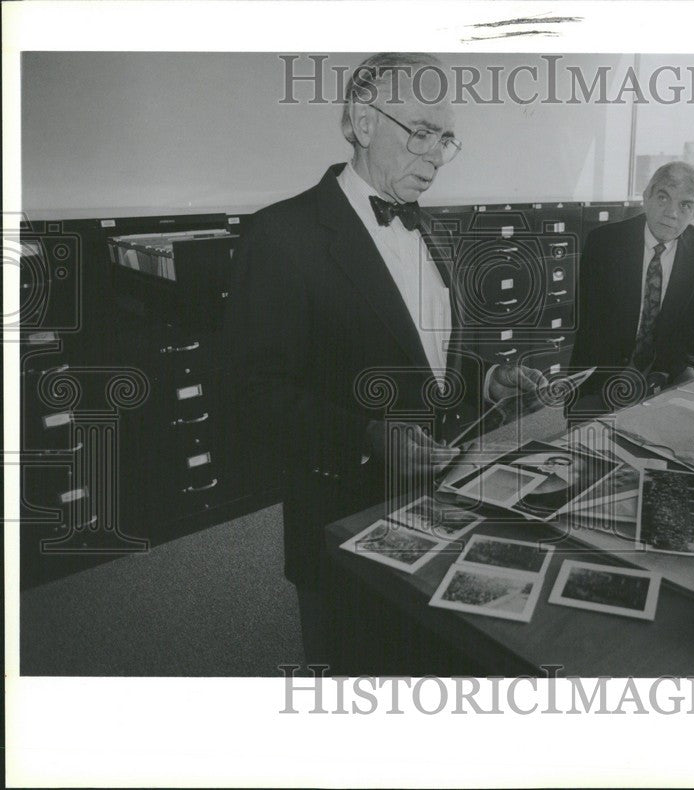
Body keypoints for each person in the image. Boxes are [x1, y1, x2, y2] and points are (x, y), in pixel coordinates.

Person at [223, 52, 546, 669]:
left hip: (442, 505)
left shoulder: (434, 232)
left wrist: (488, 382)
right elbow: (251, 392)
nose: (434, 155)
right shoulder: (281, 235)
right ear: (363, 123)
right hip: (344, 517)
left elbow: (429, 362)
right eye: (421, 132)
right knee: (353, 683)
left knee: (434, 669)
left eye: (444, 139)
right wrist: (367, 436)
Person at [569, 161, 694, 412]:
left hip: (664, 368)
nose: (672, 213)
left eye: (685, 204)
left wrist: (662, 372)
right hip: (604, 366)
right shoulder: (604, 242)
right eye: (663, 197)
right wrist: (621, 375)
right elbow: (589, 322)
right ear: (646, 197)